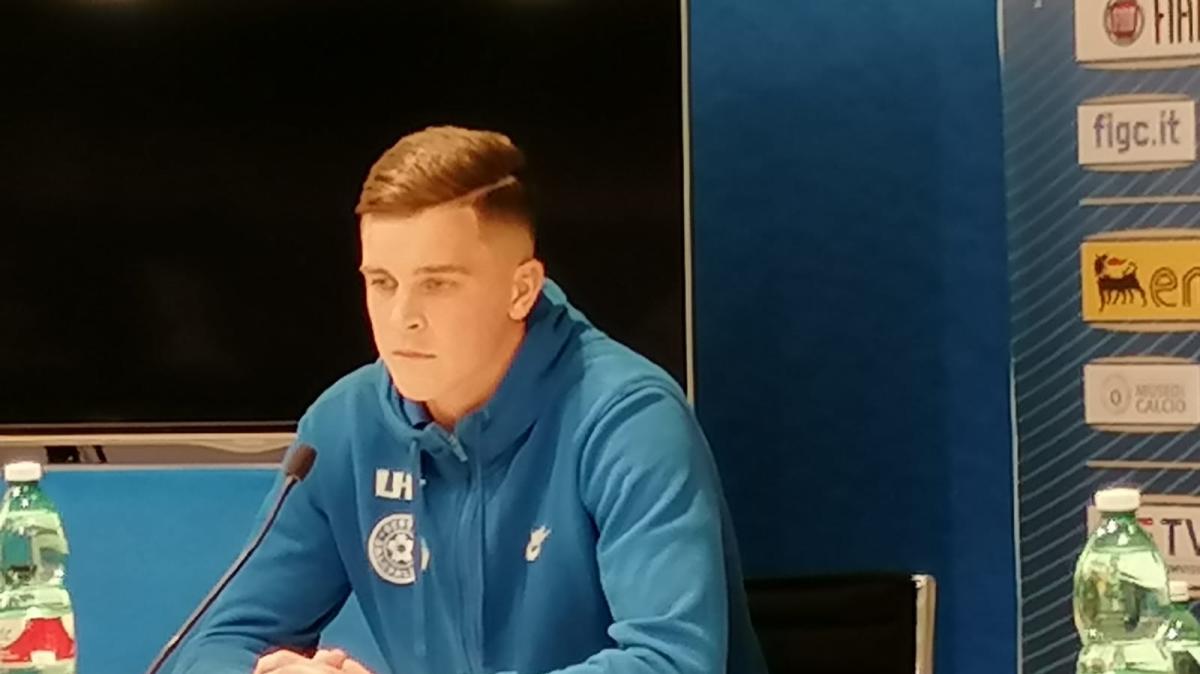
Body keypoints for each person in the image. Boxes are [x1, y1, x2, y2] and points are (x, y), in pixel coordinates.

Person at [172, 126, 765, 674]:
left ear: (521, 289)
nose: (401, 318)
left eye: (437, 283)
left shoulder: (629, 420)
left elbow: (671, 662)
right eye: (382, 282)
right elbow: (213, 645)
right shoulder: (343, 427)